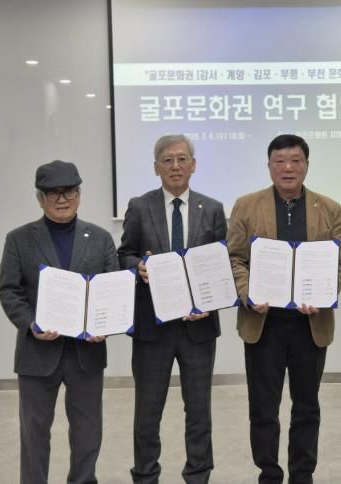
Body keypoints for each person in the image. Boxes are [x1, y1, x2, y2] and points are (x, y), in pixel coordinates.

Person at [227, 134, 341, 484]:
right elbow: (234, 257)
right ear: (269, 166)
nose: (288, 168)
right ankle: (268, 473)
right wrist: (248, 292)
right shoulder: (246, 205)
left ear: (307, 165)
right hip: (262, 322)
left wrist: (324, 294)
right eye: (279, 161)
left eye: (296, 160)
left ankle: (302, 475)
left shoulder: (330, 208)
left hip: (310, 324)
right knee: (263, 408)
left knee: (307, 407)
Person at [0, 160, 118, 484]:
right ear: (40, 198)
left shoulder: (101, 238)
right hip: (37, 353)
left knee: (88, 432)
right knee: (34, 433)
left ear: (79, 194)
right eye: (53, 193)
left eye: (69, 191)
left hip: (86, 353)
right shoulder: (18, 239)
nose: (62, 199)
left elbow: (113, 290)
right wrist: (31, 324)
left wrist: (104, 326)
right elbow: (9, 290)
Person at [117, 134, 227, 484]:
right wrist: (137, 267)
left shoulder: (212, 208)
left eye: (182, 159)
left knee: (199, 411)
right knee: (148, 411)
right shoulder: (139, 206)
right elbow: (124, 254)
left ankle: (198, 475)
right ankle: (146, 475)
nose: (175, 166)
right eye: (167, 160)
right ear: (156, 168)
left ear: (193, 165)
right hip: (153, 327)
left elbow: (221, 264)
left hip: (199, 326)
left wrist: (210, 302)